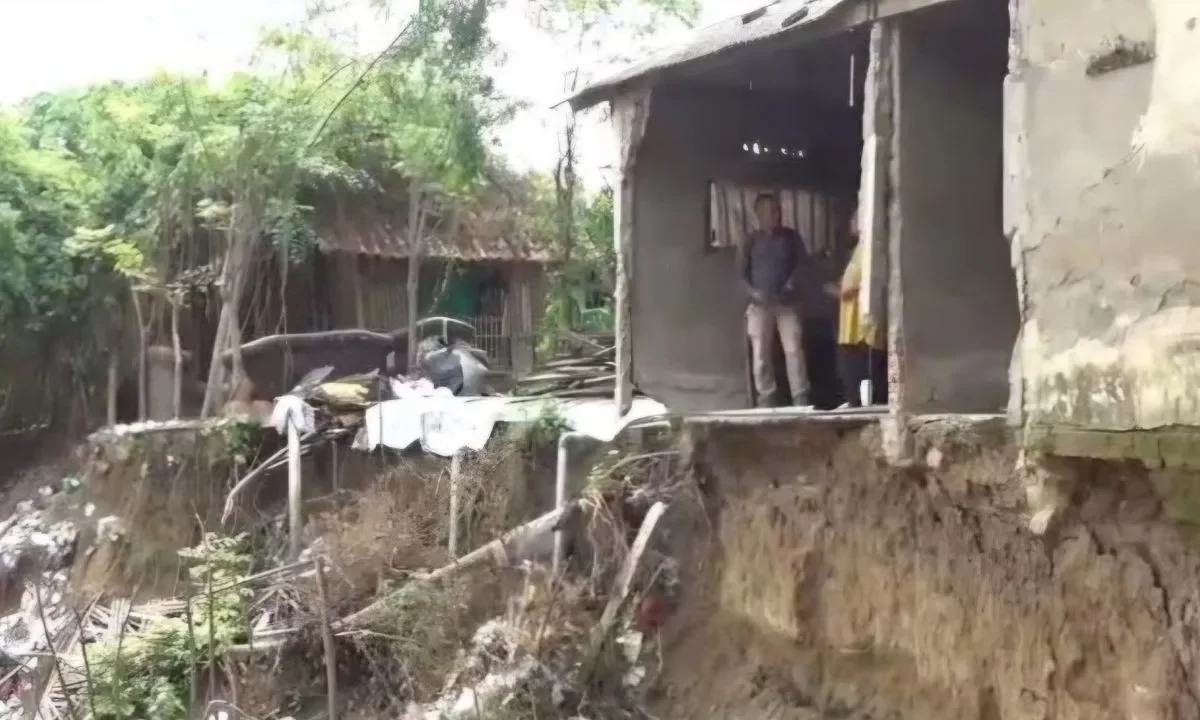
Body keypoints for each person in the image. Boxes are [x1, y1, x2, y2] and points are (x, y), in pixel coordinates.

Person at [738, 192, 811, 407]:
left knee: (794, 349)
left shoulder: (791, 237)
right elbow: (740, 274)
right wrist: (752, 292)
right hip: (760, 305)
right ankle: (766, 397)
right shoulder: (750, 241)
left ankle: (800, 396)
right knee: (760, 353)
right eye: (766, 211)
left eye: (775, 210)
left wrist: (791, 283)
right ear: (757, 214)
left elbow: (802, 265)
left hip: (787, 304)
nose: (772, 215)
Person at [835, 209, 886, 407]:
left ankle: (860, 404)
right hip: (852, 324)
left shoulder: (867, 250)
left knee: (857, 371)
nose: (851, 221)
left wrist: (839, 291)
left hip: (859, 327)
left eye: (856, 217)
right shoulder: (860, 248)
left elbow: (855, 286)